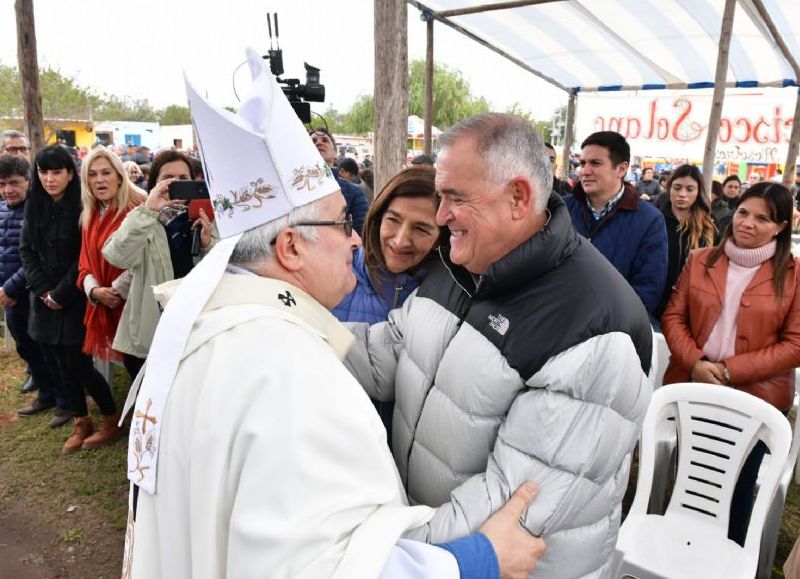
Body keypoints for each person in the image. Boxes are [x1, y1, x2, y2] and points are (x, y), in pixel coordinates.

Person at [122, 49, 544, 579]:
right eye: (343, 223)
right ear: (292, 247)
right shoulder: (287, 370)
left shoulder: (210, 330)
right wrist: (478, 561)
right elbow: (316, 567)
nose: (354, 239)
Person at [345, 113, 653, 578]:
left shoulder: (592, 328)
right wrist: (286, 326)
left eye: (454, 198)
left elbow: (510, 505)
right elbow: (385, 353)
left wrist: (384, 558)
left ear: (518, 197)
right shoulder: (459, 263)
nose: (441, 215)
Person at [661, 181, 800, 546]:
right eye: (742, 212)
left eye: (762, 218)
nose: (747, 223)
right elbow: (673, 318)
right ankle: (676, 544)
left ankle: (730, 550)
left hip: (757, 397)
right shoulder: (700, 260)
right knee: (692, 473)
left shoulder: (794, 274)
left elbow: (795, 344)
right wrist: (695, 363)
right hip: (695, 384)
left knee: (737, 483)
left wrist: (729, 371)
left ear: (781, 227)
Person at [19, 145, 119, 454]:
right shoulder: (33, 205)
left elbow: (84, 255)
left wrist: (61, 293)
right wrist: (44, 291)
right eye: (43, 172)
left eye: (56, 172)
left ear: (70, 174)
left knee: (79, 364)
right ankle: (81, 420)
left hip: (75, 297)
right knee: (58, 365)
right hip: (43, 300)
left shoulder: (82, 205)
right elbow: (27, 251)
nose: (50, 179)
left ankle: (111, 418)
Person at [103, 150, 214, 379]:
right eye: (168, 178)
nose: (176, 183)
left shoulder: (204, 217)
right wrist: (148, 212)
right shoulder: (143, 219)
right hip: (153, 329)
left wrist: (207, 245)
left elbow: (222, 270)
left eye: (183, 178)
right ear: (154, 183)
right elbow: (116, 256)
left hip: (195, 325)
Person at [564, 130, 668, 313]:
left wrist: (604, 325)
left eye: (595, 163)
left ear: (621, 169)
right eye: (582, 163)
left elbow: (648, 288)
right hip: (558, 322)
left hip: (611, 331)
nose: (585, 171)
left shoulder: (650, 221)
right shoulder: (562, 209)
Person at [1, 155, 68, 422]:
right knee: (26, 348)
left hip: (34, 292)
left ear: (29, 181)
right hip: (10, 298)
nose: (8, 189)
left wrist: (10, 287)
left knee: (49, 350)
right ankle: (46, 394)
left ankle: (66, 401)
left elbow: (36, 257)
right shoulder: (3, 208)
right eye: (3, 184)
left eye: (14, 183)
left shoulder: (41, 210)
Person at [333, 165, 442, 324]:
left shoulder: (445, 303)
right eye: (393, 220)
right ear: (378, 219)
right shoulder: (332, 274)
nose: (400, 241)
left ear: (439, 238)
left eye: (420, 229)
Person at [78, 147, 145, 383]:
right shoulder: (90, 213)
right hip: (105, 302)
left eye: (106, 172)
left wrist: (116, 290)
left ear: (119, 175)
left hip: (136, 304)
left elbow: (148, 258)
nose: (99, 180)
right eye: (93, 174)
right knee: (131, 364)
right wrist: (94, 291)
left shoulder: (140, 207)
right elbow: (85, 262)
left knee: (144, 368)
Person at [653, 165, 716, 321]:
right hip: (654, 306)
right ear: (669, 189)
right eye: (677, 187)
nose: (682, 194)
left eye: (689, 189)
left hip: (690, 310)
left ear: (698, 192)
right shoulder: (654, 221)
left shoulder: (709, 228)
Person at [310, 127, 369, 234]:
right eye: (313, 141)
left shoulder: (354, 192)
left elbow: (361, 234)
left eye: (325, 140)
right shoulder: (291, 190)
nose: (318, 143)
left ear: (335, 152)